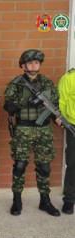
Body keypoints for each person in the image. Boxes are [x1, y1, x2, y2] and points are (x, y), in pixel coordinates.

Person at [4, 49, 61, 216]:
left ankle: (45, 201)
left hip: (44, 130)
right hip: (23, 130)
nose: (33, 65)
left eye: (36, 62)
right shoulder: (17, 83)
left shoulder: (48, 84)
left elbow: (55, 106)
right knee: (20, 166)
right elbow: (8, 106)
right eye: (30, 63)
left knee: (44, 167)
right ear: (23, 65)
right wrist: (28, 101)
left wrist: (57, 118)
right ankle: (16, 200)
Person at [58, 68, 75, 214]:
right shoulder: (69, 77)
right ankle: (69, 199)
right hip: (73, 125)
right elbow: (61, 100)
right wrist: (63, 121)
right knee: (73, 163)